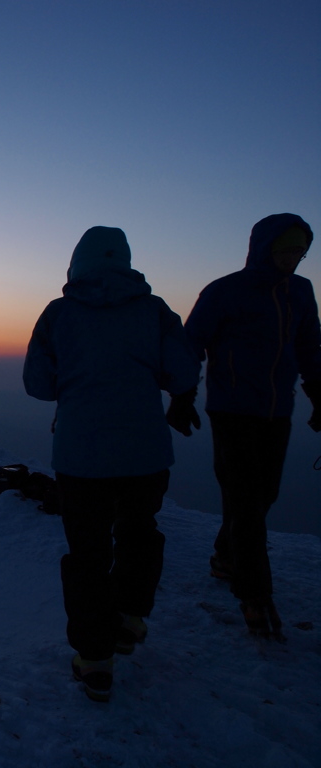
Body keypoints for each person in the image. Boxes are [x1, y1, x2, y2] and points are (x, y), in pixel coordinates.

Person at [23, 226, 199, 702]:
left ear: (77, 263)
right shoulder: (155, 310)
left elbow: (37, 382)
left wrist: (79, 379)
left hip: (81, 458)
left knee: (88, 555)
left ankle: (95, 662)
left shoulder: (58, 314)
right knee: (139, 532)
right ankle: (129, 620)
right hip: (145, 454)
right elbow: (182, 371)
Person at [173, 213, 321, 640]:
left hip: (277, 410)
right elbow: (192, 343)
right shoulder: (225, 292)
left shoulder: (301, 291)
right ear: (265, 248)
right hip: (232, 409)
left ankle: (225, 555)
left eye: (300, 250)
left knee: (263, 494)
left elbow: (309, 343)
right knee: (244, 496)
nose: (293, 257)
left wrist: (318, 391)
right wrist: (183, 395)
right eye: (286, 249)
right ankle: (254, 595)